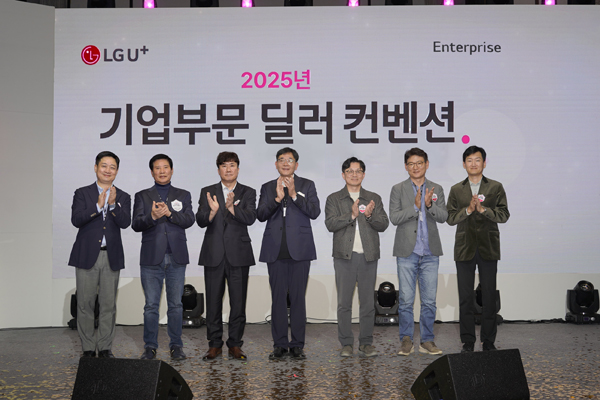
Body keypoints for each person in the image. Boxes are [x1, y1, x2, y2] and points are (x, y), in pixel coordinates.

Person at [257, 147, 320, 360]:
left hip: (300, 250)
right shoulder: (267, 187)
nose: (285, 163)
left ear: (296, 165)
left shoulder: (307, 185)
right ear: (276, 164)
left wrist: (293, 195)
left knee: (298, 299)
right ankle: (280, 345)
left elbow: (315, 212)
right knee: (278, 300)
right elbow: (260, 214)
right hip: (275, 250)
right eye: (281, 160)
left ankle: (297, 345)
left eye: (290, 160)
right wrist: (277, 199)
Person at [132, 154, 195, 361]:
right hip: (151, 258)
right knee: (151, 306)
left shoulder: (183, 194)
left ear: (172, 170)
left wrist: (169, 214)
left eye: (165, 167)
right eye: (157, 168)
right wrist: (152, 217)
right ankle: (150, 347)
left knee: (176, 305)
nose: (162, 171)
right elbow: (136, 224)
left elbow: (189, 220)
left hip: (176, 257)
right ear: (152, 172)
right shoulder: (142, 196)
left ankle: (176, 346)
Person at [447, 145, 509, 352]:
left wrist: (483, 210)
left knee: (489, 296)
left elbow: (504, 215)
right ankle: (467, 341)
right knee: (465, 298)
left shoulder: (495, 187)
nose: (473, 164)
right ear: (464, 164)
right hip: (464, 248)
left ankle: (488, 341)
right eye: (469, 160)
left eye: (477, 160)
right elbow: (450, 218)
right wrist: (468, 210)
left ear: (484, 162)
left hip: (488, 247)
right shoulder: (457, 189)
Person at [69, 151, 131, 358]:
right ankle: (88, 348)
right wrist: (98, 206)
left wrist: (112, 205)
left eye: (112, 167)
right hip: (87, 255)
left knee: (108, 305)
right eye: (104, 166)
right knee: (84, 304)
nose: (108, 170)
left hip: (110, 256)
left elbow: (125, 222)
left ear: (117, 171)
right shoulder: (82, 193)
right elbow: (76, 219)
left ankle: (105, 347)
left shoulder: (123, 196)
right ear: (96, 168)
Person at [325, 157, 389, 358]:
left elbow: (383, 224)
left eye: (358, 171)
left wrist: (369, 216)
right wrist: (351, 216)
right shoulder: (334, 199)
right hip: (344, 257)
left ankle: (366, 343)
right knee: (344, 303)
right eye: (350, 171)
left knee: (367, 303)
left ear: (363, 174)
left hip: (368, 256)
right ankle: (346, 343)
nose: (354, 174)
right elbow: (330, 224)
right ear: (343, 174)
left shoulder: (373, 198)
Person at [196, 152, 257, 361]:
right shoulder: (207, 191)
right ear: (218, 169)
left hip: (239, 254)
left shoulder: (248, 192)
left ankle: (235, 344)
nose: (228, 169)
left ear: (238, 169)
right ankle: (214, 345)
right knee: (213, 302)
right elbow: (200, 220)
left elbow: (251, 217)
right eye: (224, 165)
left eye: (232, 165)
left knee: (238, 303)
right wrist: (212, 212)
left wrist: (231, 208)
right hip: (213, 253)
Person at [389, 148, 448, 356]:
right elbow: (394, 218)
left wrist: (429, 205)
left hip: (430, 252)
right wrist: (415, 207)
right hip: (407, 252)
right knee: (406, 300)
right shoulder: (398, 189)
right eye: (411, 164)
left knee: (429, 301)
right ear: (406, 166)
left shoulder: (437, 188)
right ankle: (406, 340)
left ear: (427, 164)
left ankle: (427, 340)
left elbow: (444, 216)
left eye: (419, 163)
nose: (415, 167)